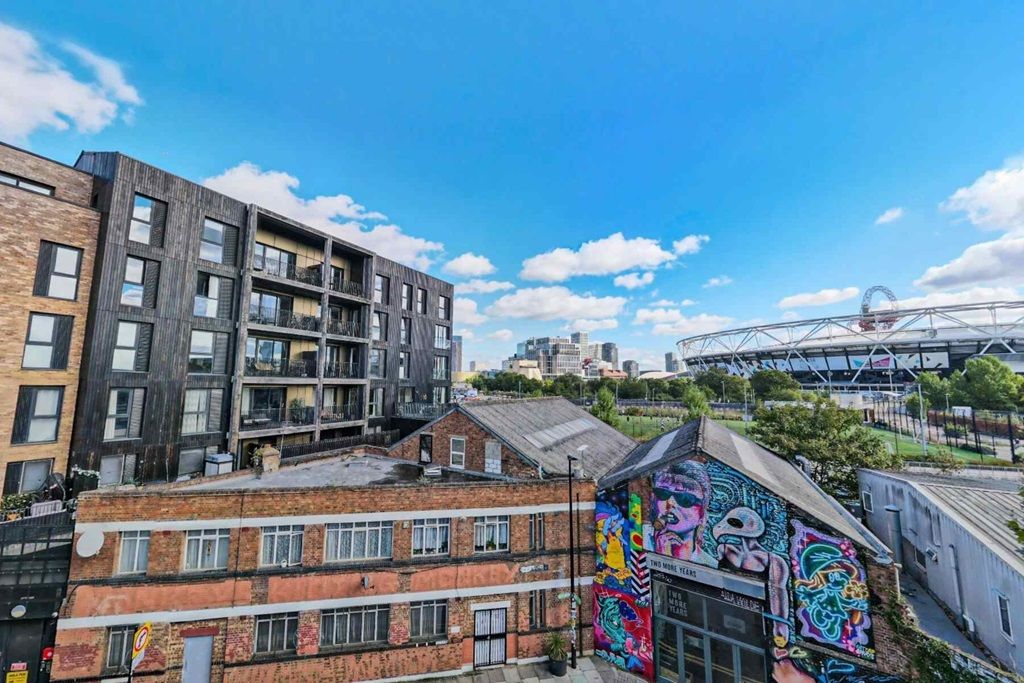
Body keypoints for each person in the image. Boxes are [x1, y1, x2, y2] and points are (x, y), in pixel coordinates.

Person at [650, 460, 713, 565]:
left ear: (702, 515)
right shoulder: (640, 538)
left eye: (685, 499)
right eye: (663, 493)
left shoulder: (709, 564)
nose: (670, 503)